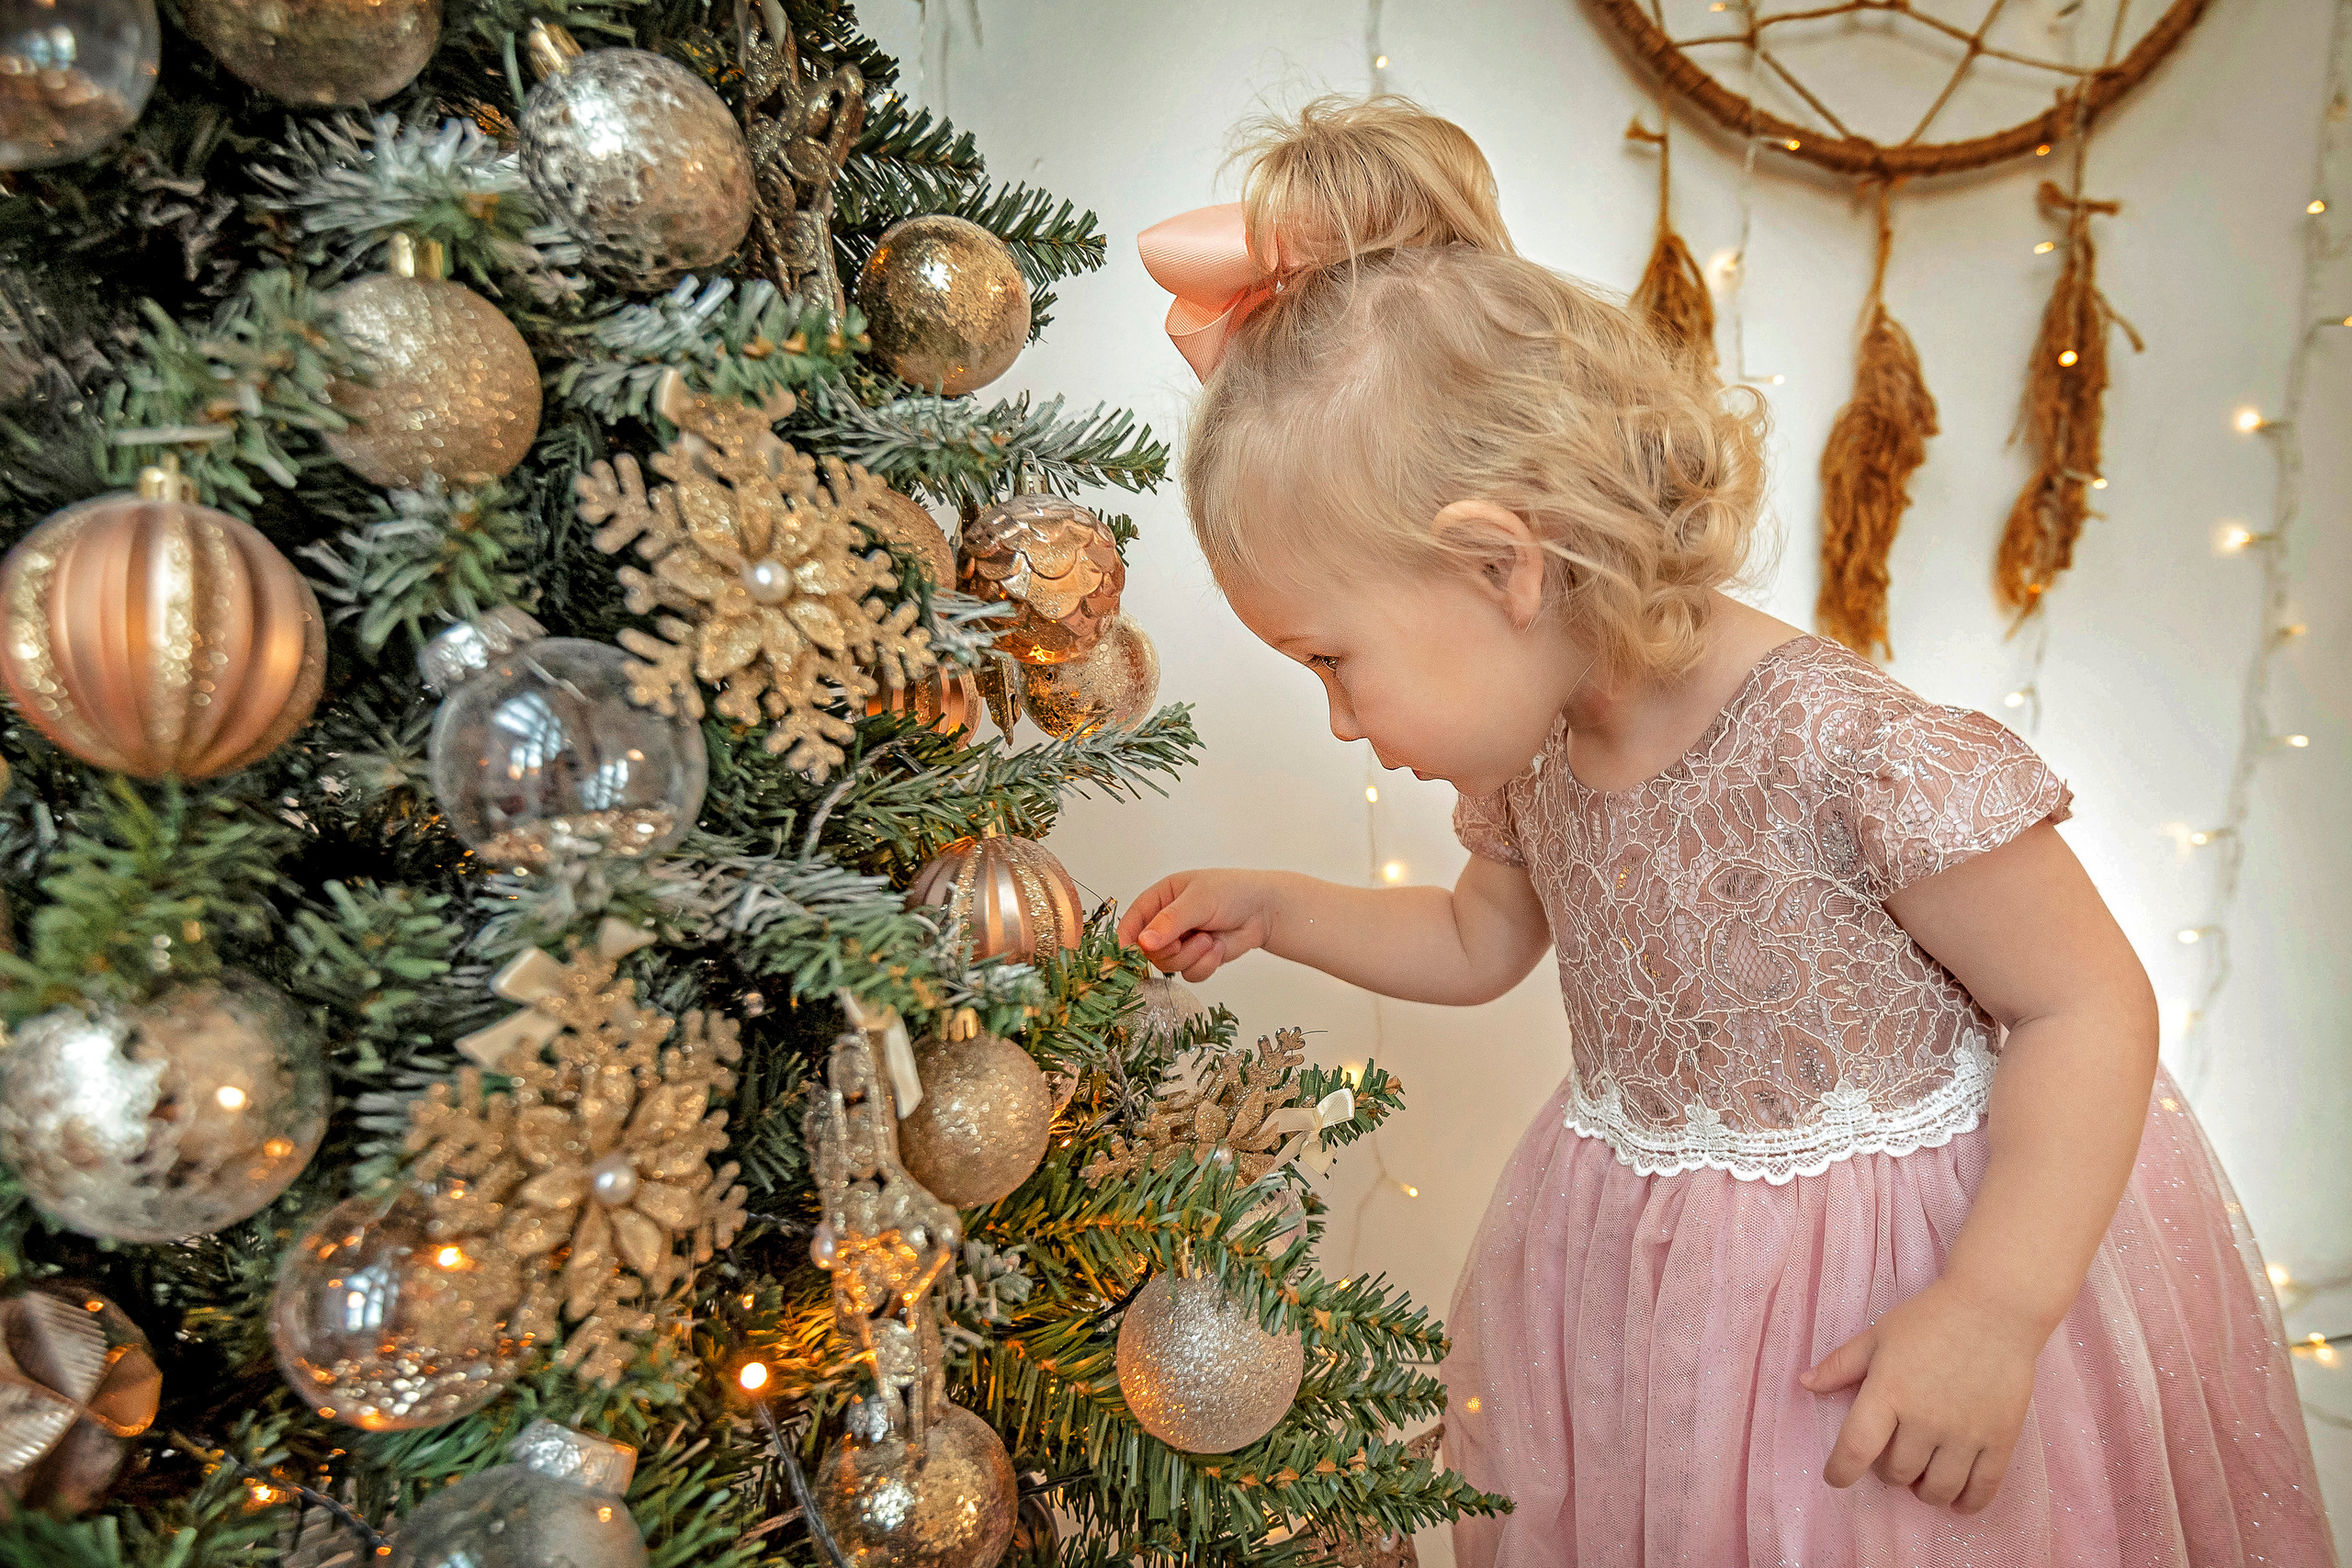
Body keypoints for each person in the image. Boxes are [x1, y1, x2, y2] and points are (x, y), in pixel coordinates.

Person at [1122, 96, 2335, 1567]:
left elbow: (2086, 1002)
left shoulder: (1849, 750)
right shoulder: (1546, 751)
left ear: (1500, 563)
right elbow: (1477, 936)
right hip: (1643, 1288)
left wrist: (1993, 1312)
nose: (1339, 719)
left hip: (1890, 1301)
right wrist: (1283, 906)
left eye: (1331, 659)